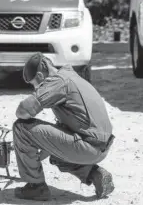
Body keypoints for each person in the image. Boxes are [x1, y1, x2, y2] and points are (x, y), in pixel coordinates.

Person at [12, 52, 115, 201]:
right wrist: (35, 154)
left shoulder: (58, 82)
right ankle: (95, 175)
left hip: (87, 146)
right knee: (57, 157)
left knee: (21, 128)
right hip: (100, 147)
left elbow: (23, 111)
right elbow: (67, 128)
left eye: (36, 84)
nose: (37, 87)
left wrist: (26, 147)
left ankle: (36, 187)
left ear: (41, 76)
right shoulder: (72, 77)